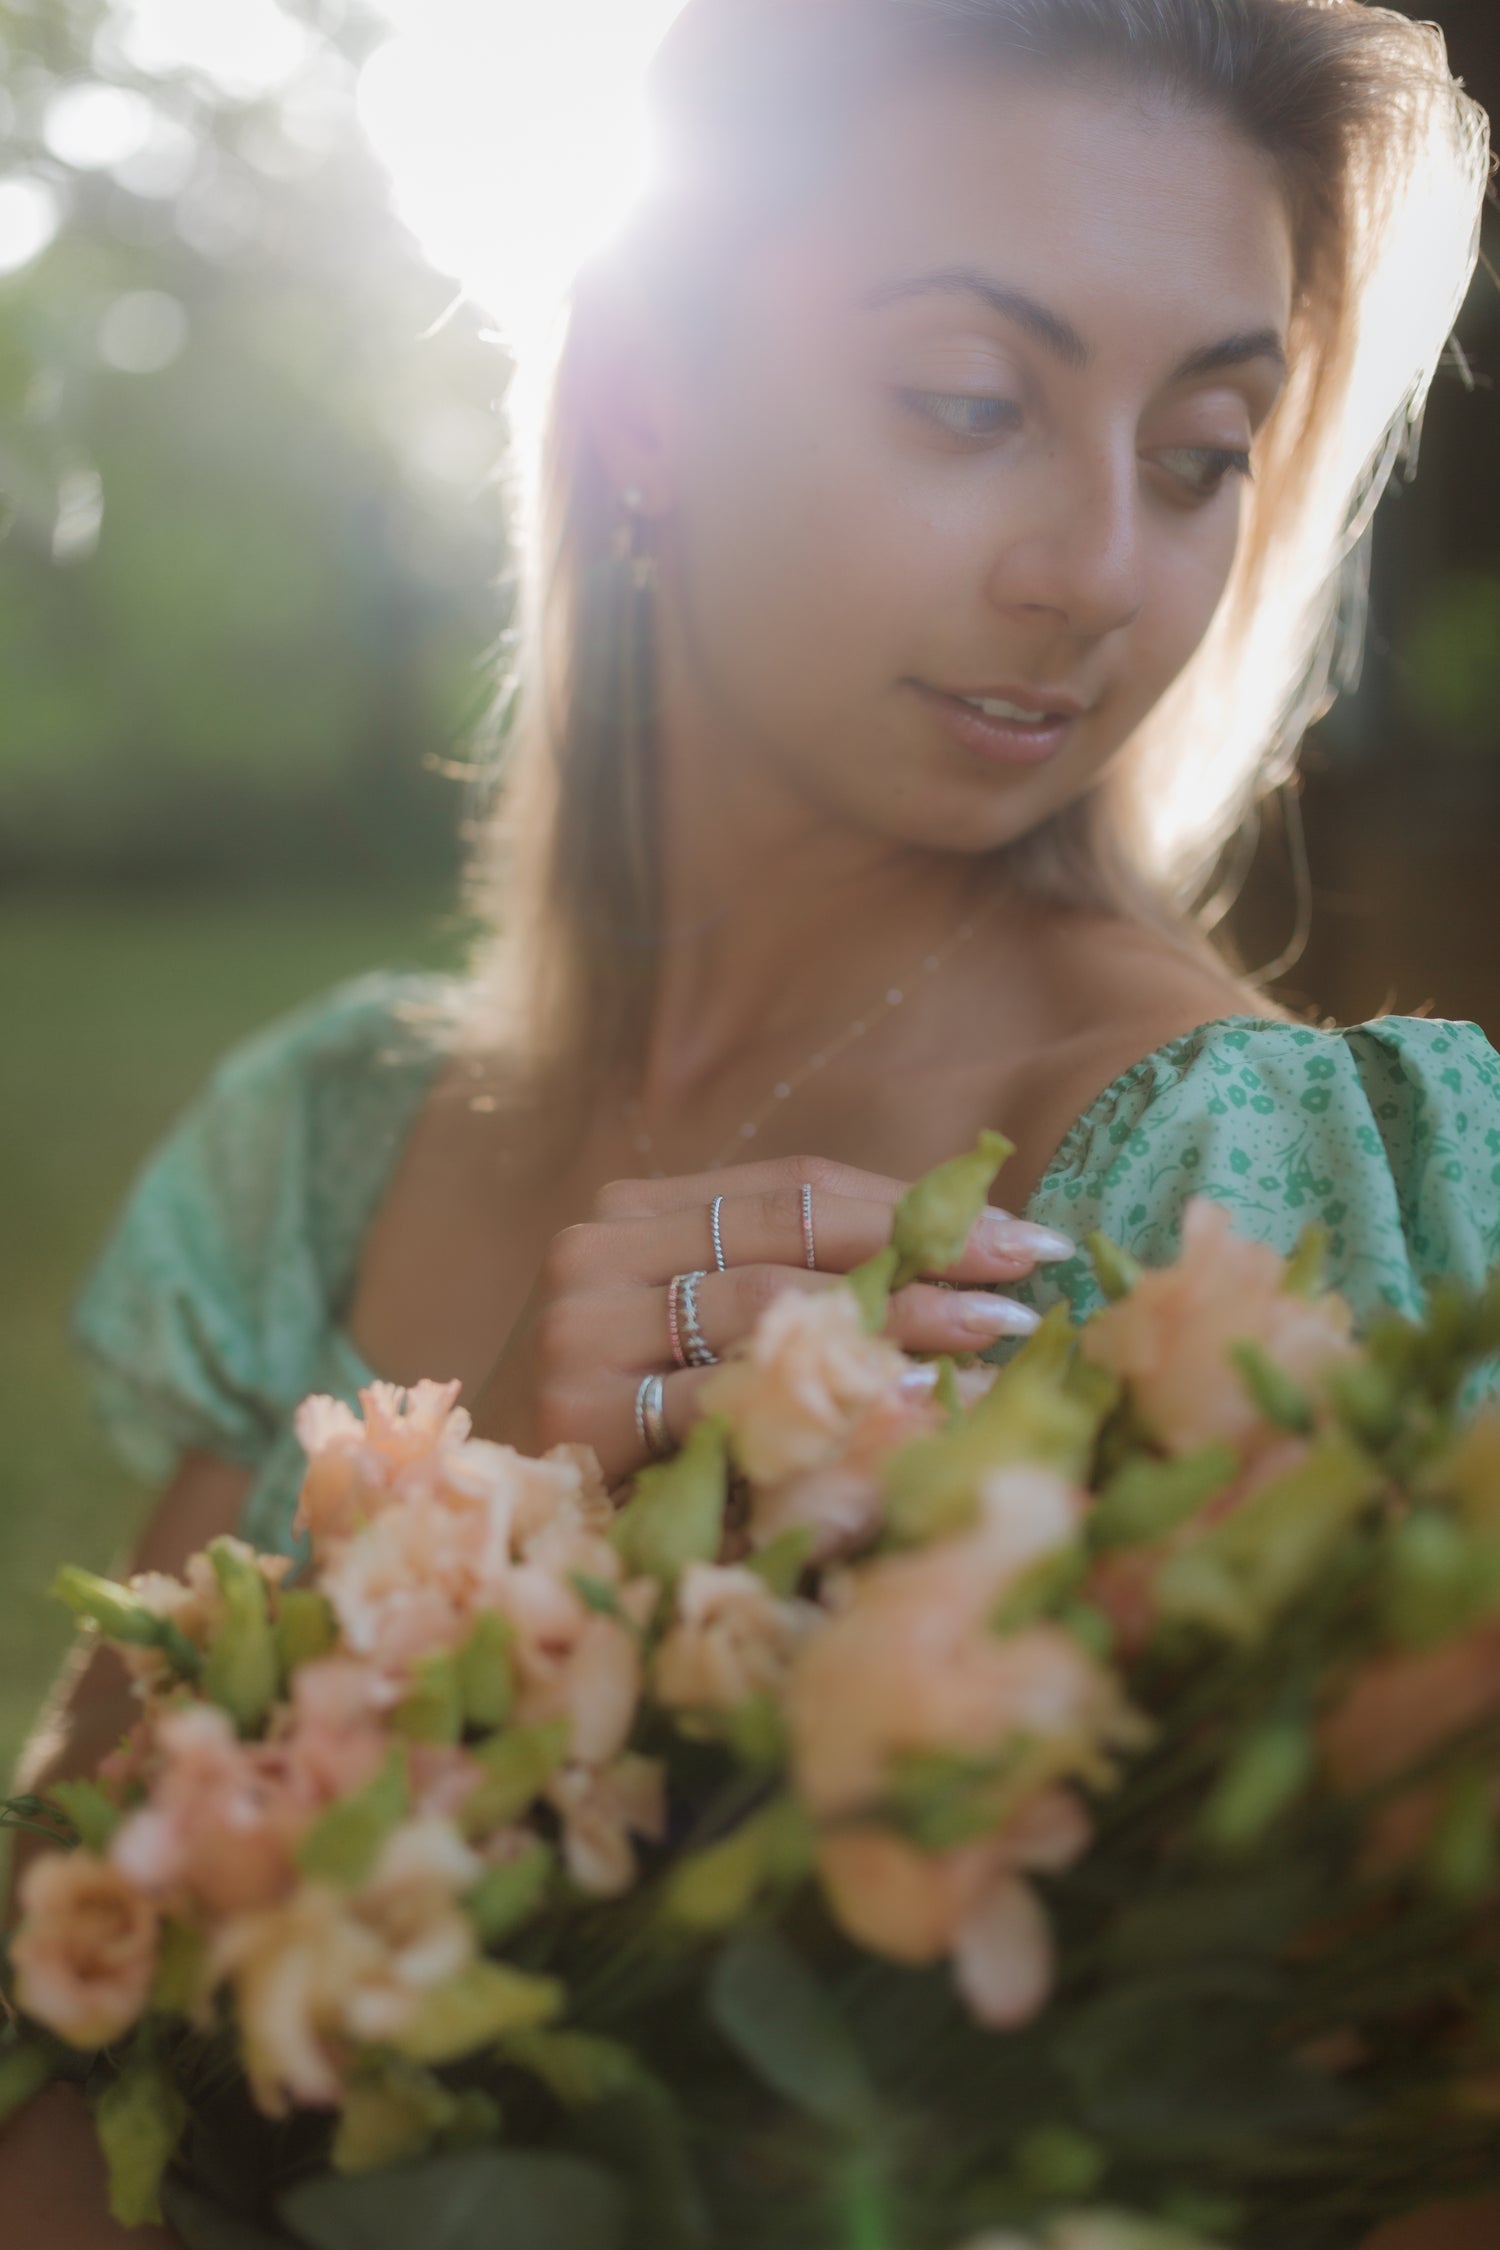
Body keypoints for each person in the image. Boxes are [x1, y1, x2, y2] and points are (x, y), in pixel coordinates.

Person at [6, 3, 1500, 2242]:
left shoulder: (1256, 1184)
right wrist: (489, 1504)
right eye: (971, 404)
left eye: (1205, 447)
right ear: (641, 405)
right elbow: (61, 2038)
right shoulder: (319, 1133)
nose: (1101, 566)